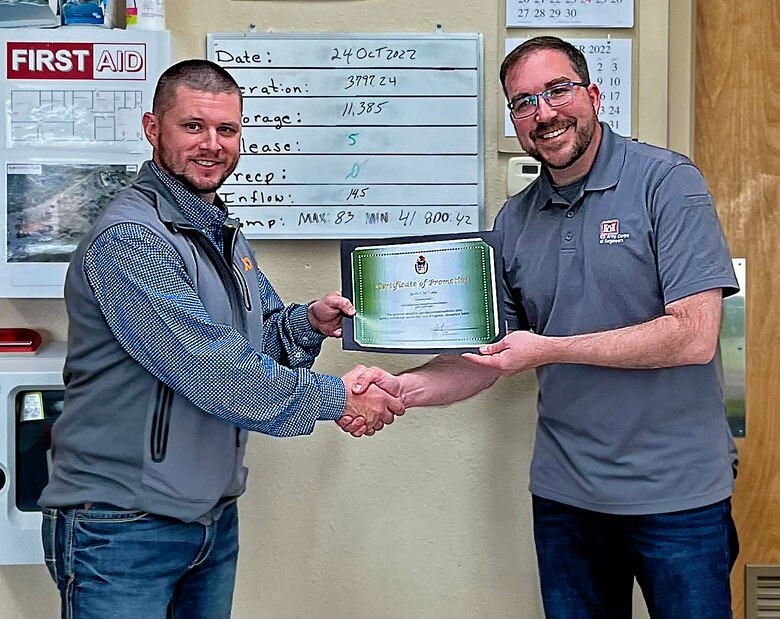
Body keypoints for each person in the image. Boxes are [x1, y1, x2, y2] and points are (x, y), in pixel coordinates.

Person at [348, 36, 740, 619]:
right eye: (524, 102)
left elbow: (693, 334)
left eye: (557, 90)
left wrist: (549, 348)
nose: (544, 112)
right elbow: (488, 355)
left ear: (593, 95)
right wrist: (401, 388)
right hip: (566, 498)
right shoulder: (515, 220)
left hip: (678, 497)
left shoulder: (667, 182)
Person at [39, 59, 401, 619]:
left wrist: (307, 322)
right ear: (152, 128)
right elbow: (210, 370)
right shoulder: (133, 238)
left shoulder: (219, 231)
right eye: (193, 127)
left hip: (207, 520)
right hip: (121, 527)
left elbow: (253, 347)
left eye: (227, 130)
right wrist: (339, 399)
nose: (212, 145)